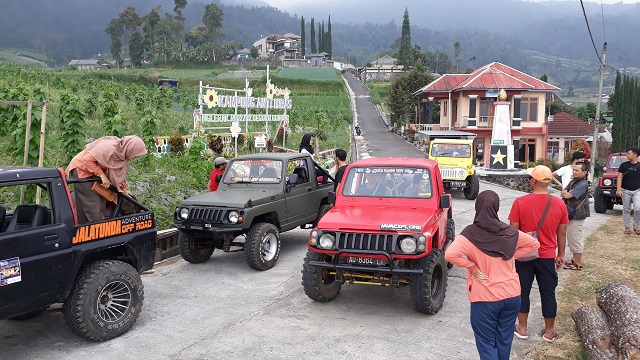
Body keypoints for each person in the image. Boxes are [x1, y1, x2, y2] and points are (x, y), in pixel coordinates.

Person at [445, 190, 539, 360]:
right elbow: (534, 244)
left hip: (486, 297)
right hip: (512, 295)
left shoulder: (470, 234)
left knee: (486, 343)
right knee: (504, 340)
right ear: (496, 207)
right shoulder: (509, 232)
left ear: (477, 206)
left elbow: (450, 255)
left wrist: (472, 266)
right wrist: (510, 255)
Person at [508, 165, 568, 343]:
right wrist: (561, 254)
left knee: (522, 291)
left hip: (524, 256)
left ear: (533, 181)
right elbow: (562, 233)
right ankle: (549, 332)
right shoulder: (559, 204)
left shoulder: (520, 202)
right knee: (548, 293)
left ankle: (523, 328)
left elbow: (514, 233)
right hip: (548, 255)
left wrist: (512, 255)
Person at [66, 135, 147, 224]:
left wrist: (123, 189)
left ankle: (88, 227)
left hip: (95, 173)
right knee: (93, 203)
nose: (135, 157)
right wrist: (102, 175)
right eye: (136, 154)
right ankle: (95, 230)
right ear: (130, 149)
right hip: (82, 169)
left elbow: (118, 174)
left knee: (101, 200)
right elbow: (87, 160)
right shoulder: (108, 148)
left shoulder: (123, 155)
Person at [560, 161, 590, 271]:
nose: (574, 172)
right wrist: (566, 193)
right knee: (571, 237)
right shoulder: (574, 181)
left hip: (577, 215)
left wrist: (567, 193)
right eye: (573, 170)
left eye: (577, 170)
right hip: (571, 213)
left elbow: (567, 194)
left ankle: (577, 263)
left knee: (575, 237)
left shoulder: (583, 184)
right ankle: (574, 259)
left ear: (584, 172)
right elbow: (563, 192)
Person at [617, 147, 640, 235]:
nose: (627, 155)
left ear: (635, 155)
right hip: (625, 190)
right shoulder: (624, 165)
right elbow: (619, 177)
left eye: (628, 154)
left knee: (638, 208)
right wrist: (618, 189)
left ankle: (636, 226)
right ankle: (627, 227)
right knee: (626, 209)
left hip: (637, 190)